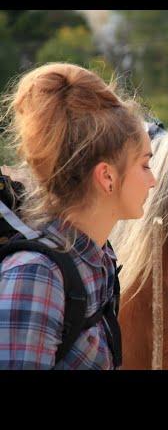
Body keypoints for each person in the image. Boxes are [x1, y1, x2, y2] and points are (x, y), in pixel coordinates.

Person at [0, 63, 156, 369]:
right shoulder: (36, 276)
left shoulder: (99, 258)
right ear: (107, 177)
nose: (153, 180)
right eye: (145, 164)